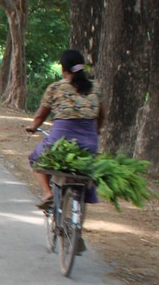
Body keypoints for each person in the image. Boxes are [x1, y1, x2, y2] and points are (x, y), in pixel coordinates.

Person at [25, 49, 105, 209]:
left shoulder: (56, 88)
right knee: (84, 172)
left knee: (36, 159)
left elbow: (41, 115)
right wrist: (95, 132)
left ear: (63, 69)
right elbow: (101, 116)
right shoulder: (94, 87)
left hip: (60, 143)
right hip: (89, 144)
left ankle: (47, 193)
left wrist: (33, 127)